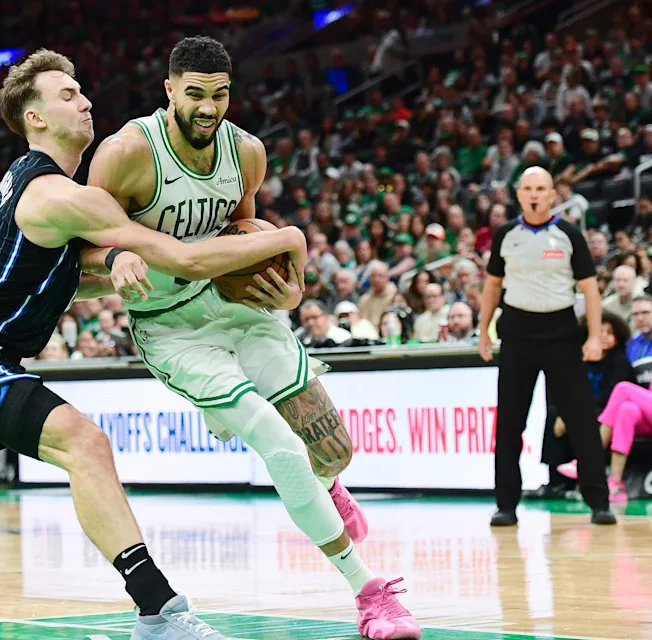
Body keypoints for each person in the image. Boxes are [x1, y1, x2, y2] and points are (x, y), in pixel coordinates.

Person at [0, 48, 309, 640]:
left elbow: (66, 276)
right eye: (68, 95)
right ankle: (158, 610)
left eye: (82, 91)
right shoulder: (61, 196)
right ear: (35, 118)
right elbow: (183, 257)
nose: (87, 101)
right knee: (86, 443)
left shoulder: (54, 192)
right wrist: (287, 238)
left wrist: (120, 260)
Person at [88, 36, 419, 640]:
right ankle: (371, 594)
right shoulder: (127, 152)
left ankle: (327, 485)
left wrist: (287, 288)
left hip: (234, 304)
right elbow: (85, 234)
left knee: (329, 445)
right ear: (169, 91)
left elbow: (242, 226)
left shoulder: (246, 153)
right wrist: (114, 256)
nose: (208, 108)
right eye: (194, 95)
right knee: (276, 442)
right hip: (170, 327)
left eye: (219, 95)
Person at [478, 167, 616, 527]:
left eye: (541, 188)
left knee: (581, 419)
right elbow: (493, 286)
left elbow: (589, 289)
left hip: (562, 332)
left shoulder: (570, 234)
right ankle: (506, 504)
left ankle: (599, 502)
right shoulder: (506, 235)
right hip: (518, 333)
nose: (535, 194)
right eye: (528, 188)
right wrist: (483, 332)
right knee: (509, 422)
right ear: (519, 194)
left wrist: (593, 335)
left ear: (553, 194)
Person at [555, 313, 635, 502]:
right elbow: (566, 390)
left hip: (603, 410)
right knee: (554, 415)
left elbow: (610, 396)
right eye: (601, 332)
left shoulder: (620, 361)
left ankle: (584, 462)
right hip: (608, 409)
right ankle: (556, 481)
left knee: (617, 394)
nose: (605, 336)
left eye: (610, 332)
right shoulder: (578, 359)